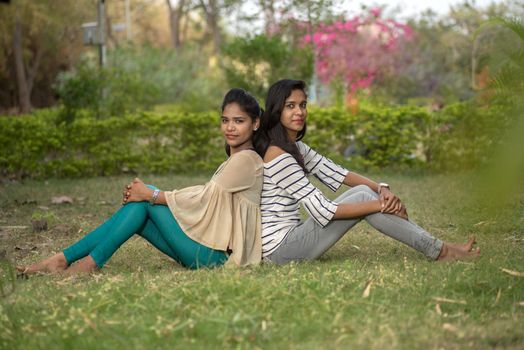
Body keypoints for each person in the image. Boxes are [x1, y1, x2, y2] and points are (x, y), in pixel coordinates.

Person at [17, 88, 264, 274]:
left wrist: (150, 195)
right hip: (206, 249)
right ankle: (65, 260)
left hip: (217, 258)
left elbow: (203, 197)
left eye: (239, 121)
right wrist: (147, 195)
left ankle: (80, 262)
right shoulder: (236, 159)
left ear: (255, 124)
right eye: (225, 120)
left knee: (145, 201)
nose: (230, 127)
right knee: (138, 212)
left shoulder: (246, 160)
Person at [258, 79, 480, 265]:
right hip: (280, 251)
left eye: (303, 104)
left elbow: (337, 172)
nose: (300, 112)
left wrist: (381, 188)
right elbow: (323, 210)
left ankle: (439, 248)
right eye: (290, 106)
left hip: (291, 238)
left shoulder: (294, 147)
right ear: (277, 110)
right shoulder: (279, 156)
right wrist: (381, 204)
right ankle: (440, 251)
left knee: (365, 190)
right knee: (365, 196)